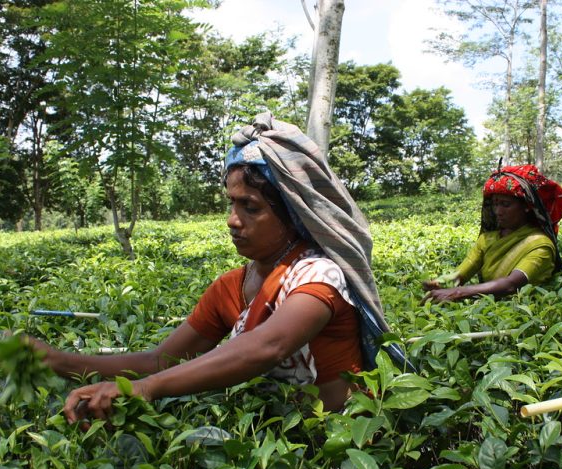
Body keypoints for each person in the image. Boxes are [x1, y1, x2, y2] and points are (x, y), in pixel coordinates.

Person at [24, 113, 409, 426]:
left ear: (292, 214)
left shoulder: (319, 277)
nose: (232, 220)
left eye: (251, 207)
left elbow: (267, 347)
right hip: (274, 442)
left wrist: (146, 388)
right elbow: (162, 360)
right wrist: (59, 361)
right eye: (231, 204)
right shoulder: (231, 287)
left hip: (341, 441)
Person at [423, 164, 562, 303]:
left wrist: (457, 292)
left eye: (505, 205)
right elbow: (460, 274)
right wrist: (440, 283)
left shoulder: (540, 245)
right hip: (489, 308)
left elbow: (511, 285)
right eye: (495, 204)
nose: (498, 211)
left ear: (526, 206)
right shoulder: (487, 239)